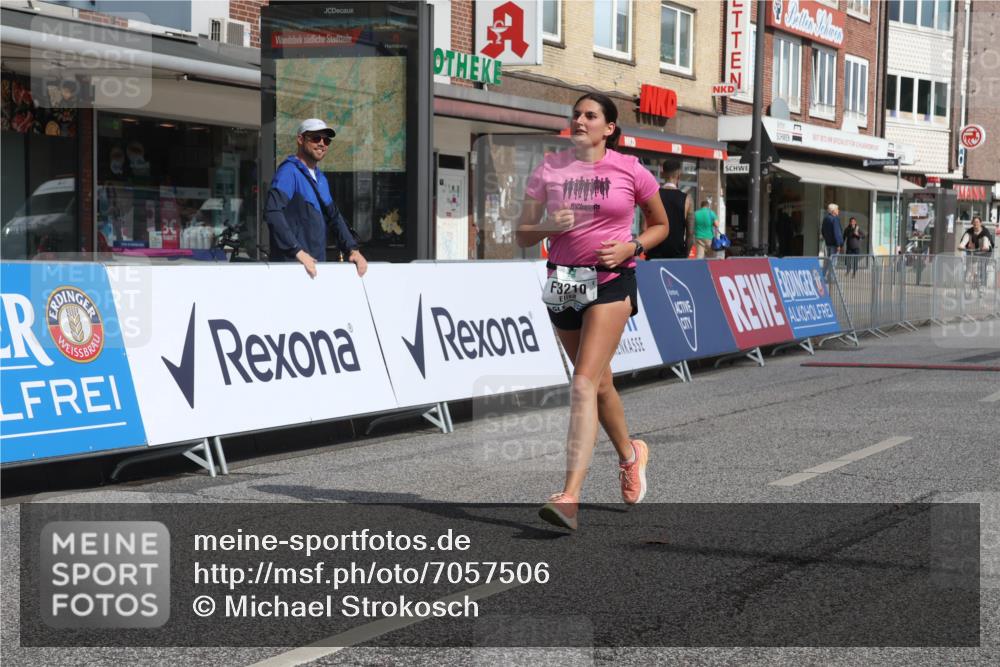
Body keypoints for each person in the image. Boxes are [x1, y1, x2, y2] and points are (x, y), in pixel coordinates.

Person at [515, 92, 669, 530]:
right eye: (576, 114)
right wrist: (549, 225)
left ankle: (569, 497)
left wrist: (632, 246)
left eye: (591, 115)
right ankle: (630, 453)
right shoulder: (550, 169)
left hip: (611, 282)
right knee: (599, 384)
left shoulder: (629, 169)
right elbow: (523, 233)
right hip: (563, 281)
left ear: (609, 128)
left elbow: (661, 225)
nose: (580, 120)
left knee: (582, 383)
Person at [265, 118, 367, 278]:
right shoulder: (289, 172)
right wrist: (297, 251)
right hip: (293, 269)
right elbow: (272, 212)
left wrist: (353, 250)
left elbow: (335, 218)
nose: (322, 143)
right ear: (300, 139)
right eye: (315, 138)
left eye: (326, 140)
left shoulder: (321, 178)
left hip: (316, 267)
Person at [644, 159, 692, 259]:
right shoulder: (687, 199)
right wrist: (685, 254)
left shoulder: (653, 196)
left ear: (662, 174)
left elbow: (644, 227)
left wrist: (646, 249)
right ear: (679, 175)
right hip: (677, 256)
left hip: (654, 254)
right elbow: (690, 233)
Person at [958, 216, 994, 289]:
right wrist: (961, 246)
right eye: (974, 222)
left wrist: (985, 247)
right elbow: (964, 240)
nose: (975, 224)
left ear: (980, 223)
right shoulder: (969, 231)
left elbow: (986, 241)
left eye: (977, 222)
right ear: (972, 223)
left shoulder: (985, 231)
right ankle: (967, 285)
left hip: (985, 252)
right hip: (975, 251)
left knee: (982, 267)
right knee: (970, 267)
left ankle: (982, 287)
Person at [821, 203, 843, 280]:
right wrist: (838, 245)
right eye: (837, 209)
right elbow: (836, 232)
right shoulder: (835, 219)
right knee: (833, 261)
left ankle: (822, 276)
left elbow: (823, 231)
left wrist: (827, 238)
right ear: (833, 211)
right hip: (834, 244)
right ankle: (831, 277)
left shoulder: (826, 219)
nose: (838, 211)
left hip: (828, 243)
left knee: (827, 261)